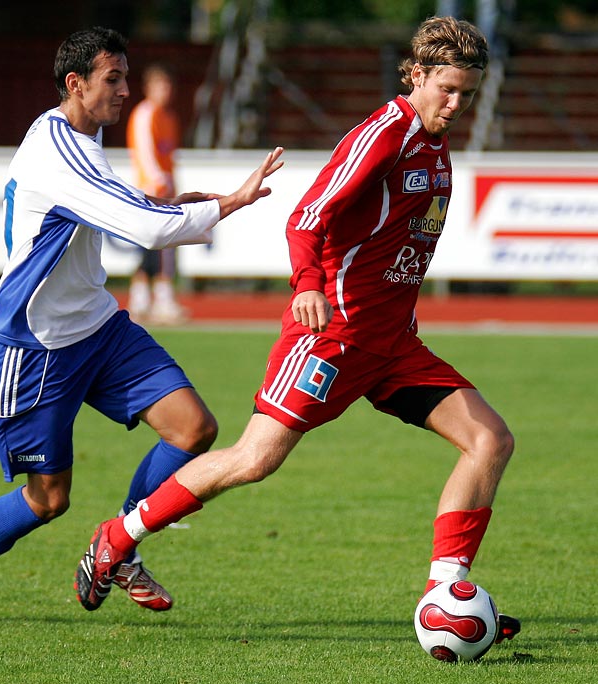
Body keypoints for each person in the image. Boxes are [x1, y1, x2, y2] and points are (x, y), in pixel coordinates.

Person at [74, 16, 521, 644]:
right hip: (332, 337)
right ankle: (115, 538)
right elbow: (308, 216)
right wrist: (309, 283)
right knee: (254, 460)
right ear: (416, 75)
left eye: (468, 94)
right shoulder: (383, 134)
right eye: (446, 89)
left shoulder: (435, 144)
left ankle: (448, 593)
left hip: (393, 346)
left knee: (490, 440)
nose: (457, 104)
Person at [0, 26, 283, 626]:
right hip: (36, 347)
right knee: (48, 499)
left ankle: (118, 544)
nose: (125, 90)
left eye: (127, 77)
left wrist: (172, 206)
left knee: (193, 428)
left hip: (98, 327)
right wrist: (226, 204)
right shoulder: (55, 148)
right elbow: (145, 229)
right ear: (75, 83)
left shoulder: (87, 133)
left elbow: (123, 208)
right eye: (114, 80)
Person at [126, 63, 186, 324]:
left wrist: (172, 184)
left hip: (165, 191)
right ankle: (147, 300)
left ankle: (153, 299)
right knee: (152, 249)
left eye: (168, 86)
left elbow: (168, 157)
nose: (165, 91)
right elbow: (145, 154)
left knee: (161, 249)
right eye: (160, 85)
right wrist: (158, 182)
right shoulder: (144, 115)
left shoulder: (169, 118)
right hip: (149, 192)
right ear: (148, 88)